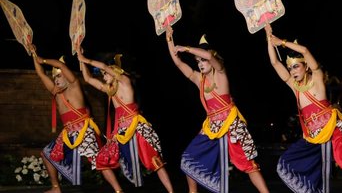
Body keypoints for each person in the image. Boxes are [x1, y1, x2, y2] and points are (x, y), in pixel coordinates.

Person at [264, 25, 342, 193]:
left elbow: (305, 51)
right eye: (290, 68)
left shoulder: (317, 79)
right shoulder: (294, 87)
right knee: (286, 163)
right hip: (313, 138)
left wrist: (282, 42)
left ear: (305, 66)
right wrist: (269, 38)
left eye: (296, 66)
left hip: (334, 132)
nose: (292, 71)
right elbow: (274, 62)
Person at [165, 27, 270, 193]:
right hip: (211, 126)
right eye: (197, 62)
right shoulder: (199, 79)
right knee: (188, 158)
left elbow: (209, 56)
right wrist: (169, 39)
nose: (200, 64)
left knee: (248, 164)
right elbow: (178, 62)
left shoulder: (220, 72)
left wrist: (186, 48)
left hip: (231, 123)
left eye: (202, 61)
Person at [77, 49, 174, 193]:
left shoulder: (125, 81)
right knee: (101, 160)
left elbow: (104, 67)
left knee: (155, 161)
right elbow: (88, 79)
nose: (104, 77)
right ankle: (118, 191)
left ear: (114, 71)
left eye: (105, 74)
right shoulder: (110, 90)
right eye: (103, 75)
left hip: (137, 128)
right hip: (121, 132)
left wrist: (85, 58)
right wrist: (80, 61)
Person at [30, 46, 123, 193]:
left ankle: (118, 190)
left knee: (98, 161)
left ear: (67, 77)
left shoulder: (74, 85)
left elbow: (60, 65)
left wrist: (44, 60)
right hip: (68, 133)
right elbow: (41, 74)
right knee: (46, 153)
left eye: (59, 76)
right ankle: (55, 188)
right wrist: (34, 54)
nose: (56, 79)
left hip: (83, 130)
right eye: (54, 77)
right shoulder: (55, 92)